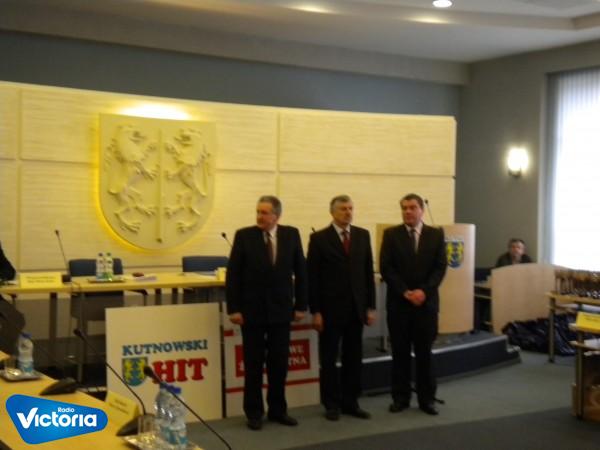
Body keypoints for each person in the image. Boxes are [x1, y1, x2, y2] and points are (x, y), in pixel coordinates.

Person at [226, 195, 307, 431]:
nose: (259, 216)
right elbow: (233, 275)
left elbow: (302, 272)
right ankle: (254, 412)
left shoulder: (291, 234)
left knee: (278, 364)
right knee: (253, 364)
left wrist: (301, 305)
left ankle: (278, 410)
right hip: (252, 312)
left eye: (264, 212)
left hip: (281, 311)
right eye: (258, 212)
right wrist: (234, 308)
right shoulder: (244, 236)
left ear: (276, 215)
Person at [307, 195, 376, 421]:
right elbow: (312, 278)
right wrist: (316, 311)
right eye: (343, 209)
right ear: (332, 212)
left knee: (353, 358)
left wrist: (370, 307)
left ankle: (351, 402)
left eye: (350, 208)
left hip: (356, 309)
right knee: (329, 359)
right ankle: (331, 404)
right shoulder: (319, 239)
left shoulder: (362, 235)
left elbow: (368, 273)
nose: (348, 212)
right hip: (329, 311)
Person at [380, 193, 447, 416]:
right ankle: (401, 398)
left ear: (421, 210)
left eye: (412, 207)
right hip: (399, 305)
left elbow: (440, 267)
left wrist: (423, 291)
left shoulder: (436, 235)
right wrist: (405, 292)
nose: (407, 211)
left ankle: (427, 399)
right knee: (400, 354)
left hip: (426, 306)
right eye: (404, 208)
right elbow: (386, 268)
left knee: (424, 354)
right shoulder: (391, 235)